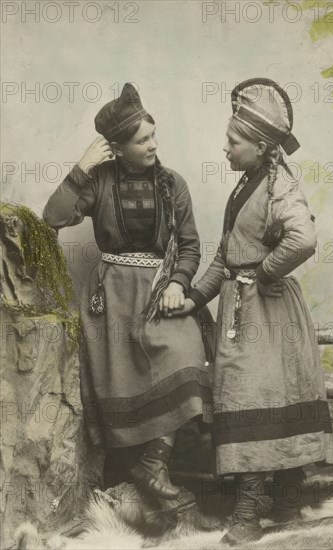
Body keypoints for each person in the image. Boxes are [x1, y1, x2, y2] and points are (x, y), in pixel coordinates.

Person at [169, 78, 333, 544]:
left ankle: (255, 510)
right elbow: (225, 255)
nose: (224, 148)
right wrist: (194, 297)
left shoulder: (280, 184)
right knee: (251, 396)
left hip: (268, 311)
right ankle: (281, 503)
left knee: (258, 399)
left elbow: (301, 239)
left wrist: (263, 274)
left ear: (261, 145)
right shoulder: (249, 183)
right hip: (245, 308)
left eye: (233, 140)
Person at [43, 83, 212, 501]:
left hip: (160, 293)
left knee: (186, 357)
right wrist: (81, 167)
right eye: (143, 140)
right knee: (120, 385)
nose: (154, 145)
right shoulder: (98, 182)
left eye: (154, 135)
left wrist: (177, 282)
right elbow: (53, 216)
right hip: (113, 298)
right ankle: (123, 484)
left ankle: (153, 462)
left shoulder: (173, 184)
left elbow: (189, 246)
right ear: (117, 148)